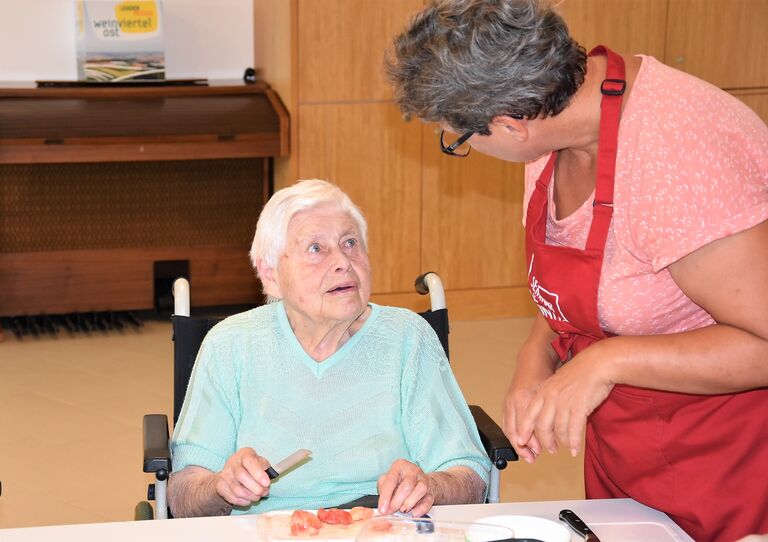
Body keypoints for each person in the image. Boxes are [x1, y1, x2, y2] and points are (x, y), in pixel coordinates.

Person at [386, 1, 768, 541]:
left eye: (458, 139)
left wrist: (606, 361)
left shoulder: (679, 156)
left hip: (727, 459)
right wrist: (534, 355)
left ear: (509, 124)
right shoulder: (557, 123)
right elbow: (608, 284)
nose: (462, 148)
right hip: (629, 449)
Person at [167, 179, 490, 518]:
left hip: (381, 527)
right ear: (270, 273)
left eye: (350, 243)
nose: (343, 262)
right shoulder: (230, 344)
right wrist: (220, 486)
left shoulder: (408, 338)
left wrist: (431, 486)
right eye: (316, 249)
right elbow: (184, 492)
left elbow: (468, 473)